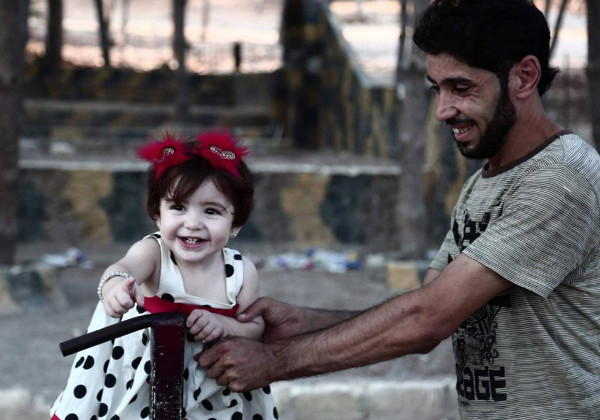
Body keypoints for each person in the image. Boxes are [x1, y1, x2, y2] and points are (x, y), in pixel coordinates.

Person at [197, 0, 600, 418]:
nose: (443, 110)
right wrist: (302, 322)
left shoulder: (559, 178)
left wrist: (275, 361)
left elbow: (428, 319)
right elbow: (430, 307)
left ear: (525, 76)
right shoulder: (484, 182)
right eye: (437, 89)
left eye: (461, 88)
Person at [50, 130, 278, 419]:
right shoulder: (154, 254)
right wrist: (115, 286)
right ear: (158, 213)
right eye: (178, 207)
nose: (192, 223)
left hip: (213, 393)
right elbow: (123, 267)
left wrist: (224, 325)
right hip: (142, 386)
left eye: (211, 211)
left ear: (236, 223)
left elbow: (254, 326)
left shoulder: (241, 272)